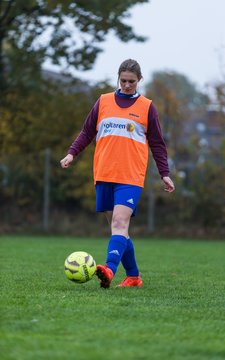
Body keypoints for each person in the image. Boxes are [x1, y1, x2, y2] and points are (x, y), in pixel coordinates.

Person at [60, 59, 175, 289]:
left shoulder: (146, 107)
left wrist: (165, 173)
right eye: (123, 80)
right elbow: (86, 132)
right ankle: (133, 276)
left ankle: (109, 270)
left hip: (130, 176)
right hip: (103, 174)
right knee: (118, 229)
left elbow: (157, 144)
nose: (127, 85)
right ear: (118, 78)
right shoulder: (103, 102)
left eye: (132, 81)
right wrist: (72, 153)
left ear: (139, 80)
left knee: (120, 222)